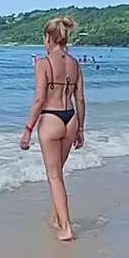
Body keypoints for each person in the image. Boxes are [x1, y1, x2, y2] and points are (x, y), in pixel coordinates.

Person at [20, 16, 85, 241]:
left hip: (51, 118)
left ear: (49, 37)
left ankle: (66, 228)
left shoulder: (43, 63)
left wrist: (28, 129)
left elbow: (40, 99)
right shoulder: (75, 63)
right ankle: (56, 217)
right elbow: (80, 98)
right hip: (70, 118)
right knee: (58, 172)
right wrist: (81, 128)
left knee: (54, 176)